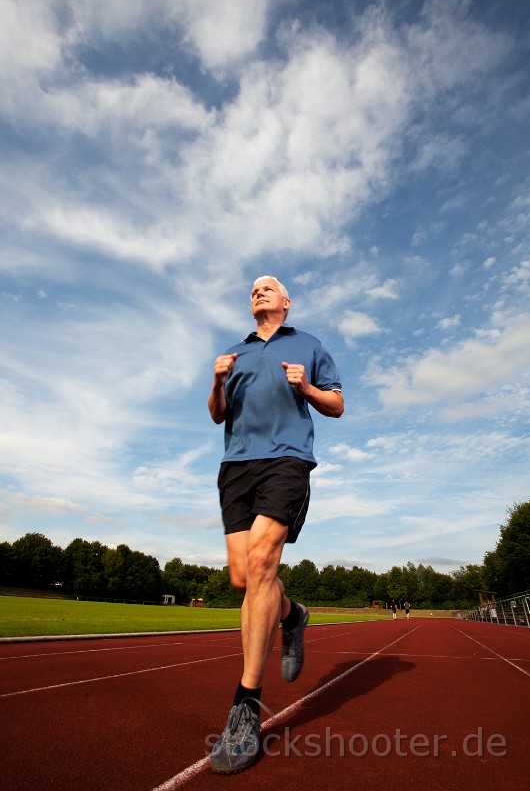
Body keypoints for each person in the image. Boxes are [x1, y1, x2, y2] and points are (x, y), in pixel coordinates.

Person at [207, 275, 344, 774]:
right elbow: (218, 414)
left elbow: (337, 404)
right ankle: (292, 616)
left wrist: (304, 386)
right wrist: (218, 382)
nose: (257, 292)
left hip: (286, 460)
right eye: (252, 290)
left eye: (267, 288)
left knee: (264, 562)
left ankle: (245, 707)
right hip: (236, 466)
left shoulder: (309, 345)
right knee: (244, 580)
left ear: (286, 301)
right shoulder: (233, 352)